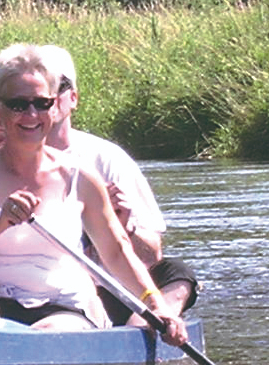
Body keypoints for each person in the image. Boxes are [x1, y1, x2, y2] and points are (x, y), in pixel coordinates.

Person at [0, 46, 188, 344]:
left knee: (45, 335)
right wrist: (0, 221)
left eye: (41, 103)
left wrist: (156, 305)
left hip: (62, 309)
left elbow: (117, 252)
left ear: (54, 106)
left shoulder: (82, 177)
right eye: (18, 104)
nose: (31, 114)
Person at [31, 42, 199, 322]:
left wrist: (125, 227)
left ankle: (144, 330)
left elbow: (152, 254)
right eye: (35, 91)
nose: (46, 97)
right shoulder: (7, 162)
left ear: (73, 98)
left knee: (177, 274)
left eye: (56, 87)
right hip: (49, 290)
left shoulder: (107, 159)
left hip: (109, 290)